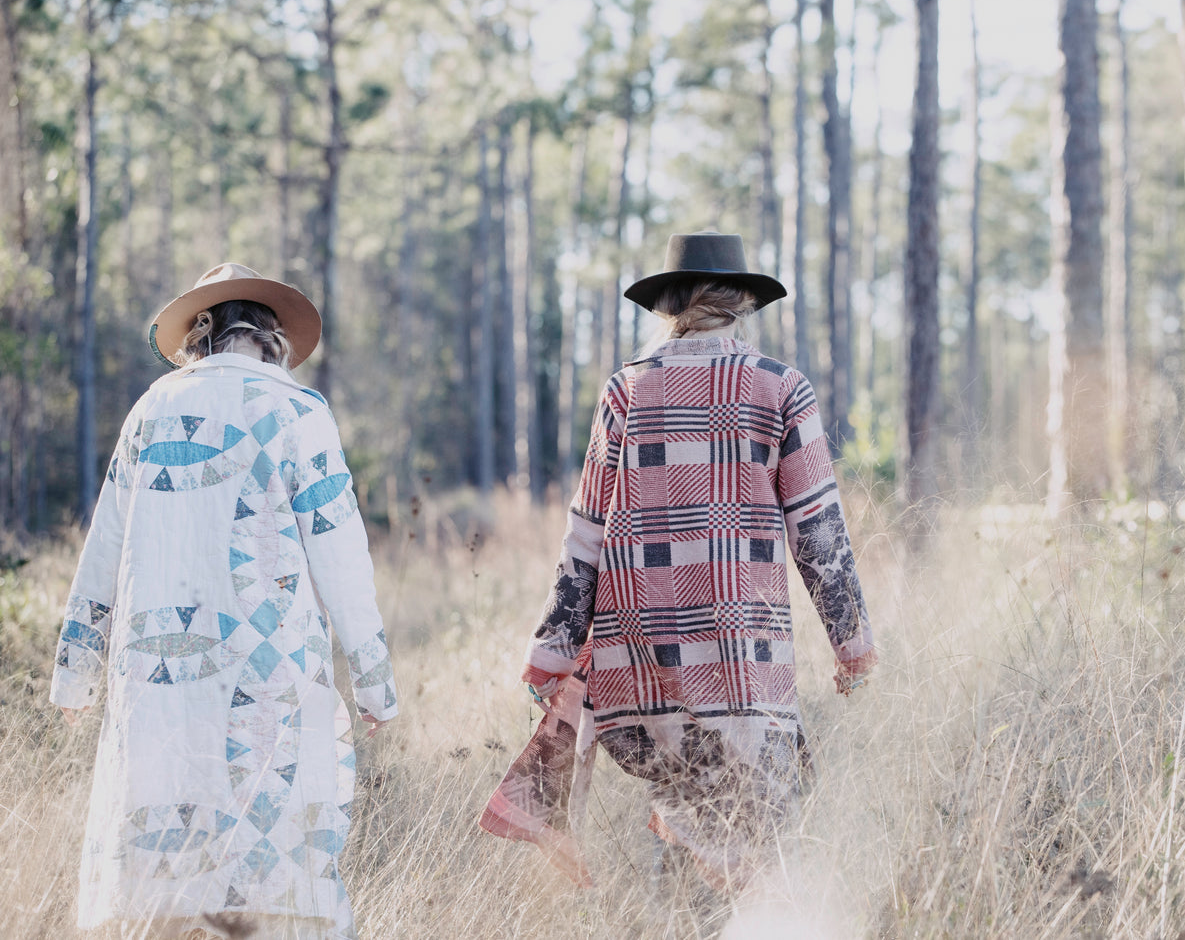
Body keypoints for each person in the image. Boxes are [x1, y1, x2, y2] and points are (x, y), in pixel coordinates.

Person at [481, 233, 876, 919]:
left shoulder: (625, 388)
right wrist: (851, 646)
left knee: (678, 802)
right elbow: (819, 533)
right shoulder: (781, 388)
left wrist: (551, 650)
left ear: (667, 304)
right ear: (742, 302)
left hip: (643, 665)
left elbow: (586, 532)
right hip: (744, 667)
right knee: (758, 838)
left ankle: (679, 923)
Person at [51, 263, 399, 940]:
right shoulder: (300, 411)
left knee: (164, 891)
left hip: (159, 685)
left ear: (201, 336)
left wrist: (76, 672)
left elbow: (103, 548)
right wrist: (375, 684)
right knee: (271, 890)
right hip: (269, 686)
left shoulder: (150, 409)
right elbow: (342, 556)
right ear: (270, 335)